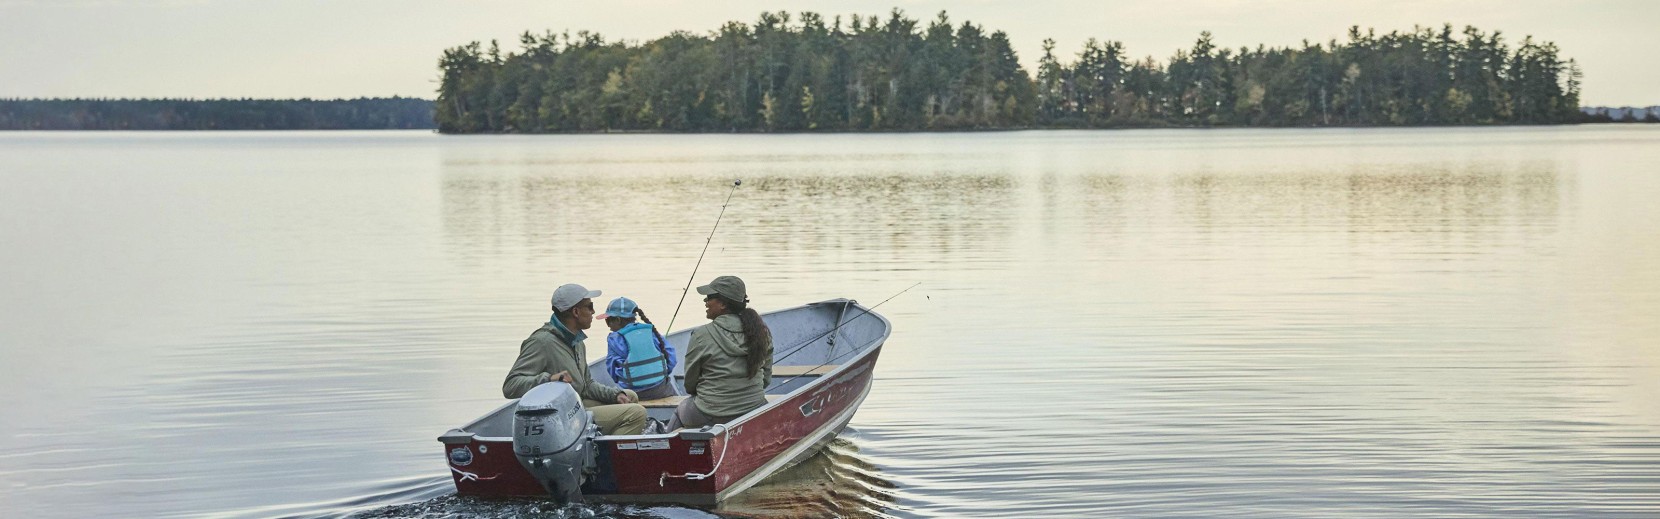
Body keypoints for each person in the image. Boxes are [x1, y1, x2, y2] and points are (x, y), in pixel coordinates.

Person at [502, 283, 648, 436]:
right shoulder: (542, 342)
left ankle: (600, 444)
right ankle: (608, 457)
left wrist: (615, 395)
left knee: (629, 395)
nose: (593, 311)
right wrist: (549, 379)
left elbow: (587, 385)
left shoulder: (577, 342)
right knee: (636, 413)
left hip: (576, 405)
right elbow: (510, 386)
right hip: (560, 416)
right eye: (590, 306)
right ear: (576, 312)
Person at [669, 275, 773, 431]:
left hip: (710, 412)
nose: (705, 301)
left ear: (723, 304)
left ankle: (661, 448)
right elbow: (766, 379)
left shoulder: (700, 335)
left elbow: (690, 385)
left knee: (682, 409)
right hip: (754, 408)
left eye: (709, 297)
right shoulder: (762, 331)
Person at [599, 296, 679, 401]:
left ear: (618, 320)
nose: (608, 325)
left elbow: (613, 372)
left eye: (608, 320)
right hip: (662, 390)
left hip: (633, 394)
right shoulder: (650, 331)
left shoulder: (614, 339)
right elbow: (671, 359)